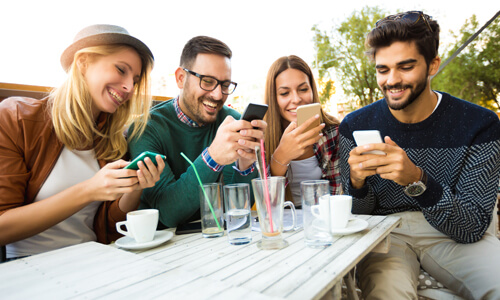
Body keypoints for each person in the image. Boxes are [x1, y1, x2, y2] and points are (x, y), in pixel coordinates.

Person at [338, 11, 500, 299]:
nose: (392, 80)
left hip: (453, 234)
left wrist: (417, 180)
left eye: (406, 66)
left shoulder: (480, 125)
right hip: (386, 234)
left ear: (433, 65)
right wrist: (357, 184)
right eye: (383, 69)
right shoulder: (355, 125)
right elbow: (359, 216)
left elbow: (472, 227)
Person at [0, 24, 164, 261]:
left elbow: (109, 228)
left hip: (97, 261)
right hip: (29, 266)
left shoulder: (114, 140)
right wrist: (89, 190)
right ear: (83, 62)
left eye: (135, 80)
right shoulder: (16, 118)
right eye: (121, 70)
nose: (129, 87)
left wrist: (134, 189)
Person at [128, 36, 266, 228]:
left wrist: (245, 165)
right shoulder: (146, 129)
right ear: (180, 78)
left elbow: (237, 209)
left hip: (216, 241)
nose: (218, 95)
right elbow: (168, 214)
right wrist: (213, 158)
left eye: (225, 85)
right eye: (207, 81)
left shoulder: (230, 122)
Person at [263, 55, 341, 206]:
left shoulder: (332, 132)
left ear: (312, 90)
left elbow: (337, 194)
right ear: (274, 98)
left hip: (321, 217)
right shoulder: (260, 137)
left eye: (303, 89)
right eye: (285, 93)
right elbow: (265, 203)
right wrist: (280, 158)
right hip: (282, 220)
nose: (296, 99)